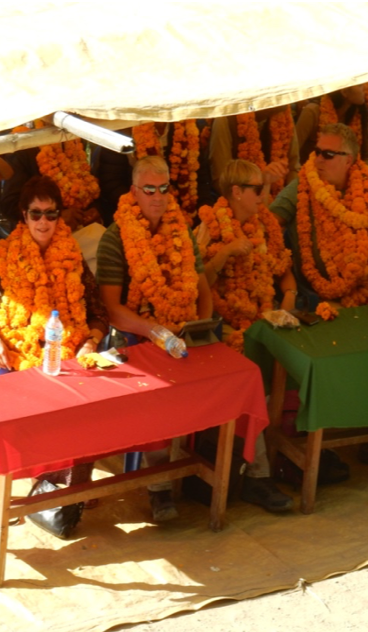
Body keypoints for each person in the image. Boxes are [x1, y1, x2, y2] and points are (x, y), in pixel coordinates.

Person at [270, 123, 368, 467]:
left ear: (351, 160)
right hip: (313, 303)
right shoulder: (302, 185)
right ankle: (316, 445)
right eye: (317, 152)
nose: (319, 159)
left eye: (329, 154)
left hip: (365, 297)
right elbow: (267, 226)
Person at [0, 175, 108, 508]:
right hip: (19, 352)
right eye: (36, 214)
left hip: (69, 350)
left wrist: (91, 340)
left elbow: (98, 311)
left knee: (85, 396)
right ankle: (40, 479)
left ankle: (71, 487)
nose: (44, 222)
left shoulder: (72, 255)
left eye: (51, 213)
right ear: (23, 215)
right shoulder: (9, 255)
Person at [96, 155, 213, 521]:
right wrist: (156, 331)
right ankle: (160, 487)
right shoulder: (115, 238)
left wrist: (201, 322)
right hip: (137, 337)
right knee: (157, 395)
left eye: (164, 189)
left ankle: (224, 475)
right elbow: (113, 310)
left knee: (229, 376)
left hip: (183, 331)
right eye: (150, 190)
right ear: (134, 191)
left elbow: (202, 285)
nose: (158, 197)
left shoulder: (181, 228)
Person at [196, 159, 297, 511]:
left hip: (264, 319)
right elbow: (196, 287)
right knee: (249, 376)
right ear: (236, 192)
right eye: (258, 189)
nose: (265, 195)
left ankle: (291, 460)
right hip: (223, 328)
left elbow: (285, 275)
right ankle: (258, 475)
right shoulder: (208, 228)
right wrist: (224, 254)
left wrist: (287, 300)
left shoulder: (263, 224)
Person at [209, 106, 299, 201]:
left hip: (280, 201)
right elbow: (221, 182)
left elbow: (293, 168)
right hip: (240, 208)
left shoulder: (283, 112)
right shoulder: (226, 118)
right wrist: (260, 180)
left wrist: (286, 203)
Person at [296, 87, 368, 168]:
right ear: (344, 92)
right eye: (360, 84)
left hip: (349, 176)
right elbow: (293, 156)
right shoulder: (313, 111)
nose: (365, 88)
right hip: (311, 174)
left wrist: (362, 175)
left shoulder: (361, 114)